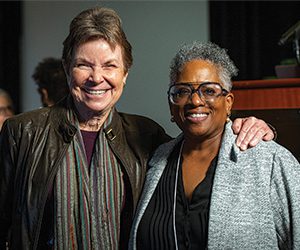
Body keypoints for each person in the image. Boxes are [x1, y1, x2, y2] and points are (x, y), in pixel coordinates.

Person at [0, 7, 274, 250]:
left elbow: (202, 143)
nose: (97, 78)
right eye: (84, 65)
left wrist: (255, 126)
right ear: (67, 68)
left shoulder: (147, 135)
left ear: (125, 74)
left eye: (110, 66)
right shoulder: (22, 133)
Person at [129, 41, 300, 249]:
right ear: (171, 104)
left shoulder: (271, 162)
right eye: (182, 91)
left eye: (209, 91)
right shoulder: (154, 160)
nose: (195, 101)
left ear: (228, 102)